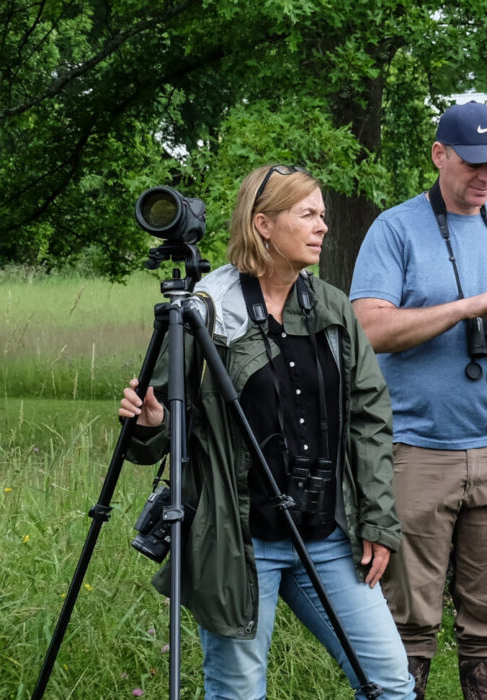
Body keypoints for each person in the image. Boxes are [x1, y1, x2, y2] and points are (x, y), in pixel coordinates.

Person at [118, 164, 413, 700]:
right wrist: (149, 424)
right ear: (263, 224)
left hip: (325, 534)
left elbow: (370, 417)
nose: (322, 226)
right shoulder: (206, 309)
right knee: (238, 693)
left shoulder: (331, 307)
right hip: (240, 540)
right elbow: (157, 425)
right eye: (308, 214)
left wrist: (378, 521)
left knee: (391, 682)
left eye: (322, 215)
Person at [349, 102, 487, 699]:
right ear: (439, 154)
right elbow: (368, 329)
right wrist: (470, 306)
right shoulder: (395, 229)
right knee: (406, 623)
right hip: (418, 451)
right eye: (474, 163)